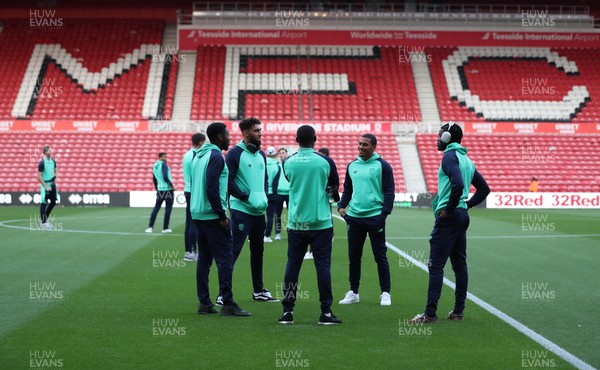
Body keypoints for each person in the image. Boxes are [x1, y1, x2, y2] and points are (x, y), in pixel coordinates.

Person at [410, 122, 490, 323]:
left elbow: (458, 184)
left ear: (446, 138)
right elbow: (484, 188)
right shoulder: (466, 159)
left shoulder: (449, 157)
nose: (437, 139)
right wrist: (467, 204)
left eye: (439, 136)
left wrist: (448, 209)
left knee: (436, 266)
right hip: (462, 215)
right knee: (460, 265)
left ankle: (429, 314)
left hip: (450, 216)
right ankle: (457, 311)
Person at [278, 125, 342, 325]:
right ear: (315, 139)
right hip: (321, 222)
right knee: (322, 267)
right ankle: (326, 312)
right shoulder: (325, 161)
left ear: (297, 139)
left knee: (292, 266)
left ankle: (288, 311)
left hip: (297, 222)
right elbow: (334, 187)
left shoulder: (288, 162)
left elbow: (290, 180)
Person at [190, 121, 251, 316]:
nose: (230, 138)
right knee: (225, 258)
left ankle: (205, 303)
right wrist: (221, 215)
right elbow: (211, 187)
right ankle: (228, 303)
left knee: (204, 260)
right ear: (219, 137)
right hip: (212, 216)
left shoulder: (198, 156)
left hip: (198, 214)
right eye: (227, 134)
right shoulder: (216, 157)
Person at [221, 117, 277, 305]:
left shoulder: (261, 154)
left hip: (258, 211)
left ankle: (259, 291)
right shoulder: (234, 154)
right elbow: (227, 180)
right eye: (256, 131)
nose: (260, 133)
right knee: (233, 251)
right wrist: (244, 196)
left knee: (258, 251)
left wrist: (263, 196)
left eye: (260, 130)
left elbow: (265, 179)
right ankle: (223, 294)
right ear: (245, 133)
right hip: (241, 210)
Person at [337, 134, 395, 306]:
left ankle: (385, 293)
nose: (361, 147)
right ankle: (353, 292)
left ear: (373, 147)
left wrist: (383, 215)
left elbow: (390, 192)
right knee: (354, 257)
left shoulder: (382, 166)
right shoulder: (352, 165)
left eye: (365, 144)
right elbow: (347, 189)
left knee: (380, 256)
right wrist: (341, 205)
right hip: (354, 218)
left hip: (375, 217)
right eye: (359, 144)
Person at [182, 133, 206, 261]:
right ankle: (192, 251)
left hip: (188, 190)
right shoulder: (194, 155)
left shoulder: (187, 155)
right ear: (201, 142)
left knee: (189, 222)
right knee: (194, 222)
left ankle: (188, 251)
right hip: (194, 191)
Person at [145, 153, 175, 233]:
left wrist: (157, 188)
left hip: (160, 190)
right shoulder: (164, 165)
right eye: (165, 157)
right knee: (168, 209)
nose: (166, 158)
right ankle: (165, 228)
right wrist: (171, 185)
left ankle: (150, 227)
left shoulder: (155, 166)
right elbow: (165, 177)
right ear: (160, 158)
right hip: (168, 190)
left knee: (156, 208)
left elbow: (154, 179)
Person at [37, 145, 58, 229]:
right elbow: (38, 176)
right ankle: (43, 222)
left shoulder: (53, 161)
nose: (51, 151)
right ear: (45, 152)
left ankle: (45, 218)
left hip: (52, 184)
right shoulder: (42, 162)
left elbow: (56, 170)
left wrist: (55, 179)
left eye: (51, 149)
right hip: (45, 184)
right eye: (49, 150)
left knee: (53, 202)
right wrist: (45, 186)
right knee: (44, 202)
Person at [264, 146, 281, 243]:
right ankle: (267, 235)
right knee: (270, 215)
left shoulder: (263, 164)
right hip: (273, 194)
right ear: (275, 155)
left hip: (263, 193)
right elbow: (275, 183)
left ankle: (256, 235)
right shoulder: (277, 166)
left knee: (260, 215)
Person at [274, 147, 290, 240]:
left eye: (283, 153)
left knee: (291, 214)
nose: (282, 154)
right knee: (278, 214)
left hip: (289, 192)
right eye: (280, 153)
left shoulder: (289, 165)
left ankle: (291, 231)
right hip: (279, 193)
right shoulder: (276, 165)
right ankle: (277, 233)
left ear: (286, 154)